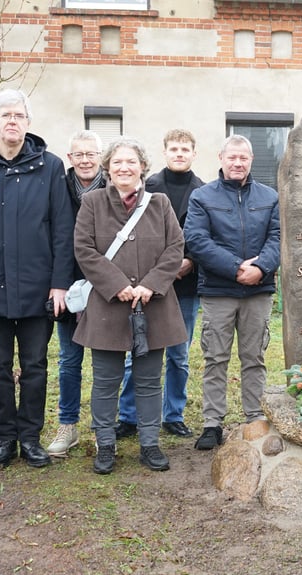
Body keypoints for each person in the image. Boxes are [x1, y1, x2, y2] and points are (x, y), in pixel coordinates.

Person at [0, 89, 75, 470]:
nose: (12, 121)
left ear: (28, 122)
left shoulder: (50, 166)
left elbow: (62, 229)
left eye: (19, 115)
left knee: (35, 365)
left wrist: (59, 283)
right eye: (5, 115)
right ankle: (5, 438)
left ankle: (30, 438)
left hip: (37, 287)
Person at [72, 137, 187, 474]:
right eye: (117, 162)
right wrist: (117, 284)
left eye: (131, 162)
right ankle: (106, 444)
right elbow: (84, 249)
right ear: (108, 168)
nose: (124, 168)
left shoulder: (160, 203)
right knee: (105, 381)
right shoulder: (92, 202)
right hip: (108, 306)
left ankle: (149, 444)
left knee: (149, 380)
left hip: (154, 305)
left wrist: (150, 284)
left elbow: (175, 247)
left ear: (142, 167)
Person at [185, 135, 280, 450]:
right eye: (232, 157)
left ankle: (255, 418)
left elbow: (278, 237)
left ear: (251, 160)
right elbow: (196, 239)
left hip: (258, 291)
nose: (238, 163)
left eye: (243, 158)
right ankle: (212, 423)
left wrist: (261, 267)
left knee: (254, 357)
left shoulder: (269, 196)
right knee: (215, 358)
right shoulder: (202, 197)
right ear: (221, 158)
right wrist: (236, 267)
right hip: (218, 291)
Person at [116, 129, 206, 440]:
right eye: (174, 149)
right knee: (137, 352)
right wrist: (159, 271)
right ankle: (129, 416)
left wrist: (190, 259)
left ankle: (173, 414)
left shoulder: (203, 191)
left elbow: (206, 234)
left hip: (185, 286)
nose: (179, 154)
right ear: (165, 152)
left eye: (185, 149)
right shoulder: (146, 188)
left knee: (179, 356)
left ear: (193, 154)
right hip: (146, 286)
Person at [47, 130, 106, 458]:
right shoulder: (58, 188)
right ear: (70, 158)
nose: (85, 160)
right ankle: (67, 426)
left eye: (91, 154)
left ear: (100, 156)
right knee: (70, 360)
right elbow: (53, 237)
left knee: (105, 362)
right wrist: (58, 283)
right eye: (79, 154)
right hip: (68, 287)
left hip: (105, 287)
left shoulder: (112, 187)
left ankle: (101, 428)